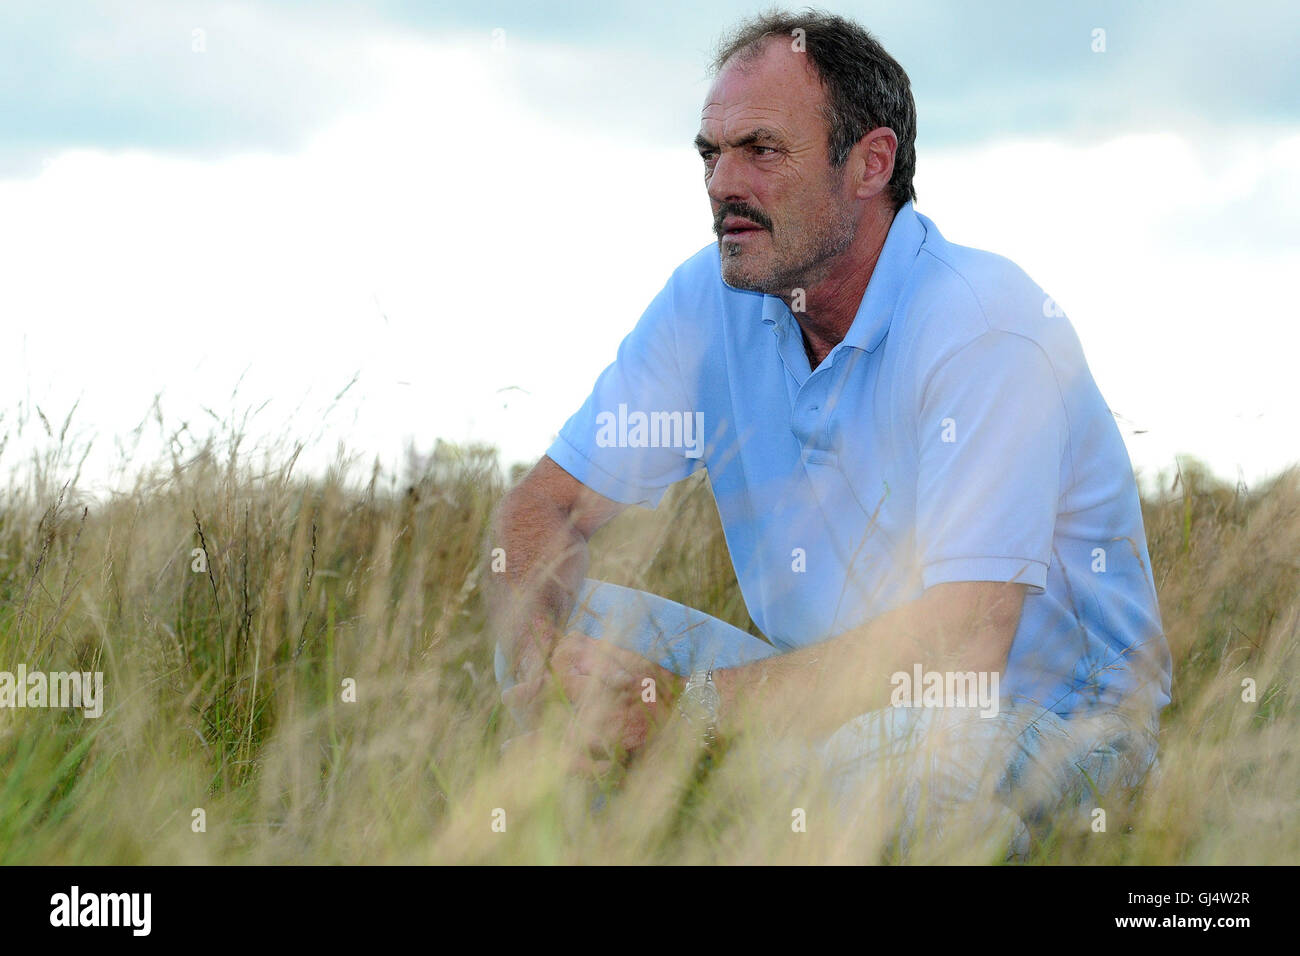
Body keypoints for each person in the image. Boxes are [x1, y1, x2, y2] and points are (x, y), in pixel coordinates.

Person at [484, 9, 1171, 856]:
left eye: (761, 151)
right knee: (578, 641)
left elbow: (961, 646)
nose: (721, 184)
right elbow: (544, 507)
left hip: (1054, 726)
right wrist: (548, 657)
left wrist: (692, 708)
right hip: (827, 703)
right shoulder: (712, 299)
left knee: (876, 758)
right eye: (711, 153)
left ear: (870, 164)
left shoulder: (984, 325)